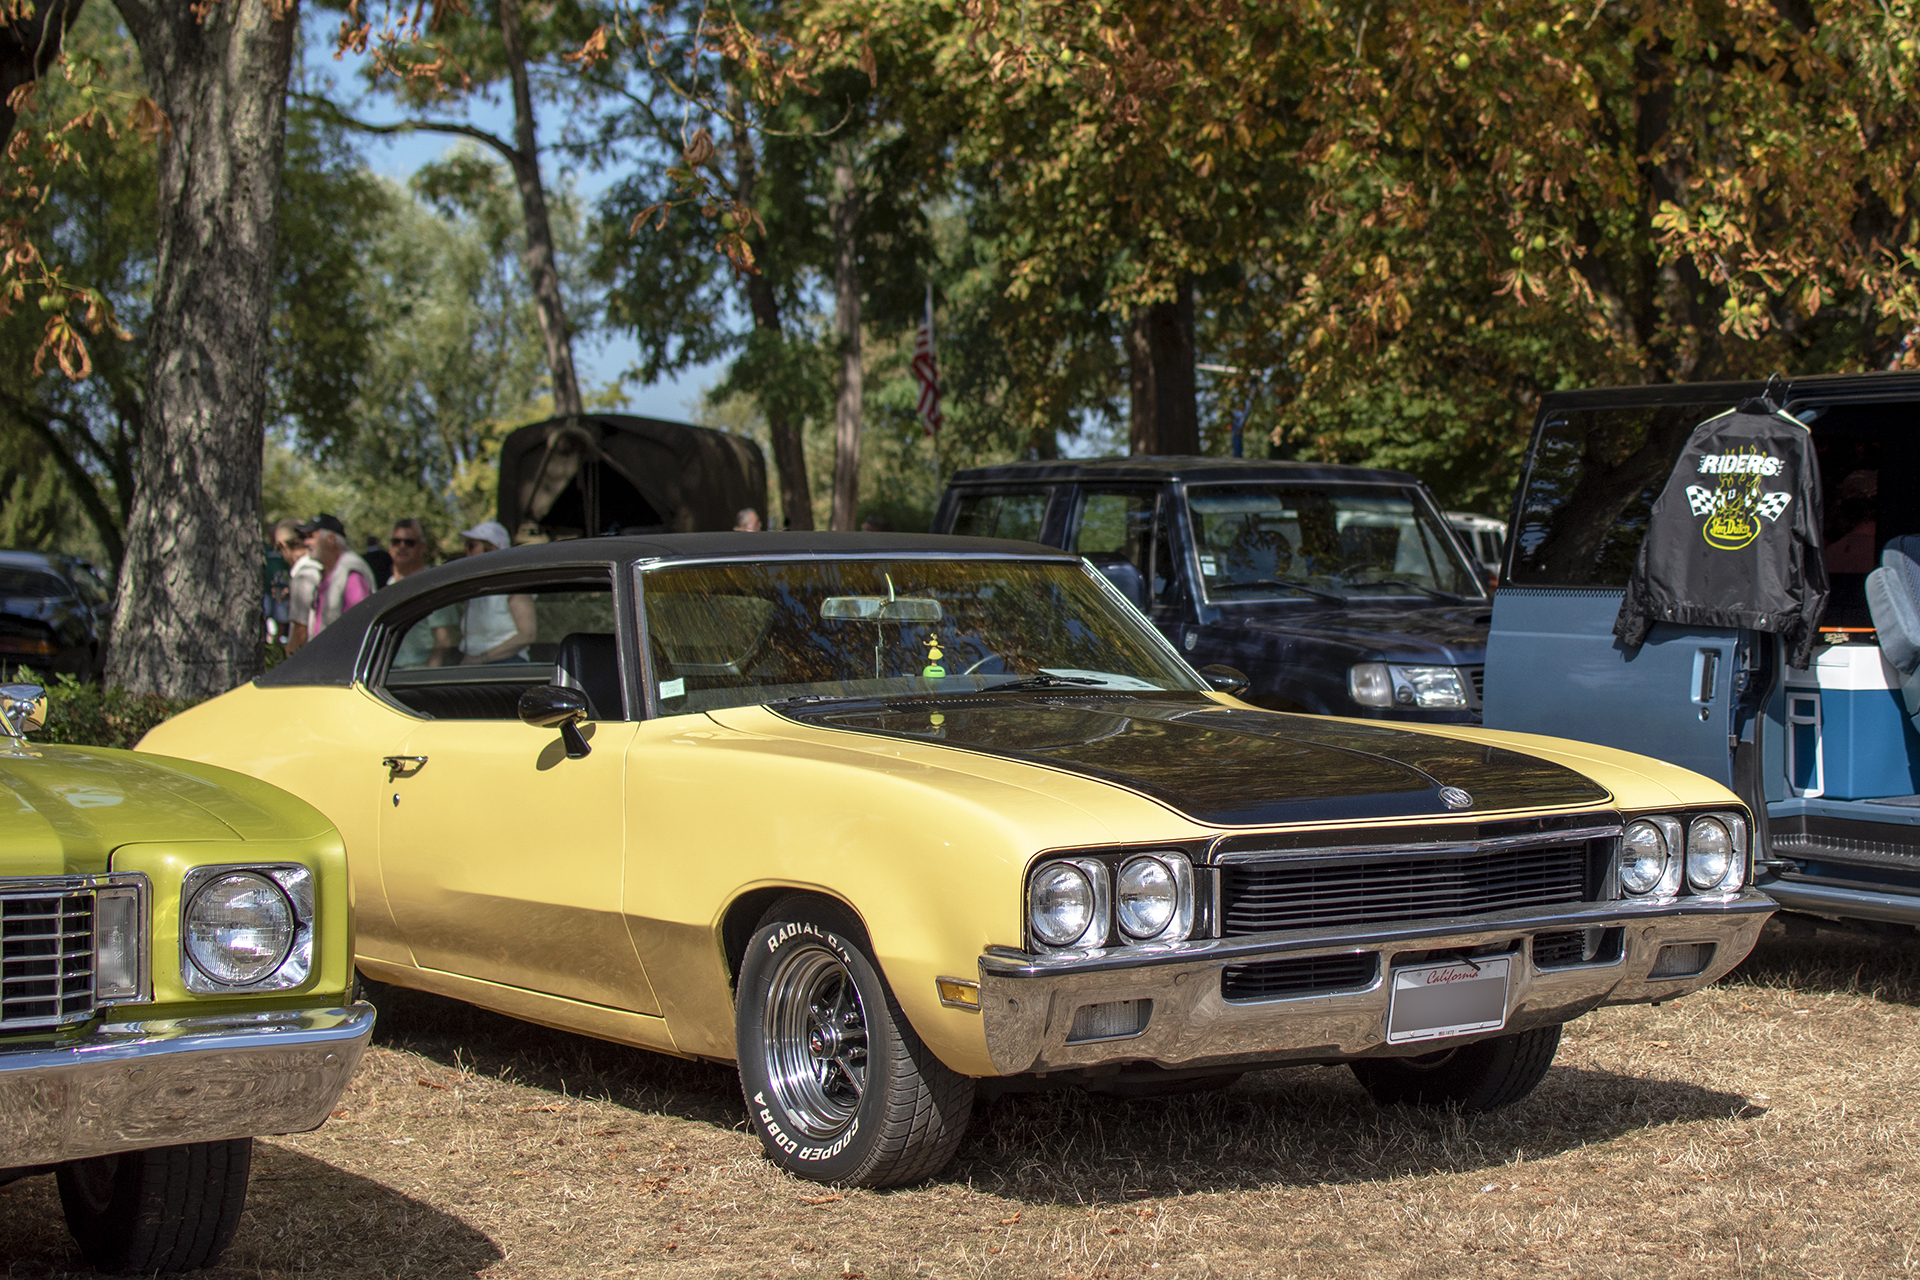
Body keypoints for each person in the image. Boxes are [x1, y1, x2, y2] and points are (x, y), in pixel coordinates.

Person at [453, 520, 535, 664]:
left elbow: (527, 634)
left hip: (506, 666)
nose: (466, 550)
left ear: (491, 549)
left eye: (472, 545)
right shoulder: (474, 587)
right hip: (473, 665)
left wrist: (482, 658)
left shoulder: (514, 585)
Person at [386, 518, 460, 668]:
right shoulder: (389, 585)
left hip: (417, 672)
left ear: (422, 547)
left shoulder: (432, 585)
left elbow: (444, 637)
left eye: (409, 542)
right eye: (396, 541)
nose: (402, 546)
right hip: (387, 674)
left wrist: (428, 676)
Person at [297, 513, 374, 640]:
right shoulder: (324, 574)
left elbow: (358, 627)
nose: (306, 542)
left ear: (331, 539)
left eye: (311, 536)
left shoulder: (351, 575)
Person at [274, 518, 320, 653]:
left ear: (283, 546)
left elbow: (301, 629)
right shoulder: (321, 565)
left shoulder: (303, 576)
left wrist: (290, 655)